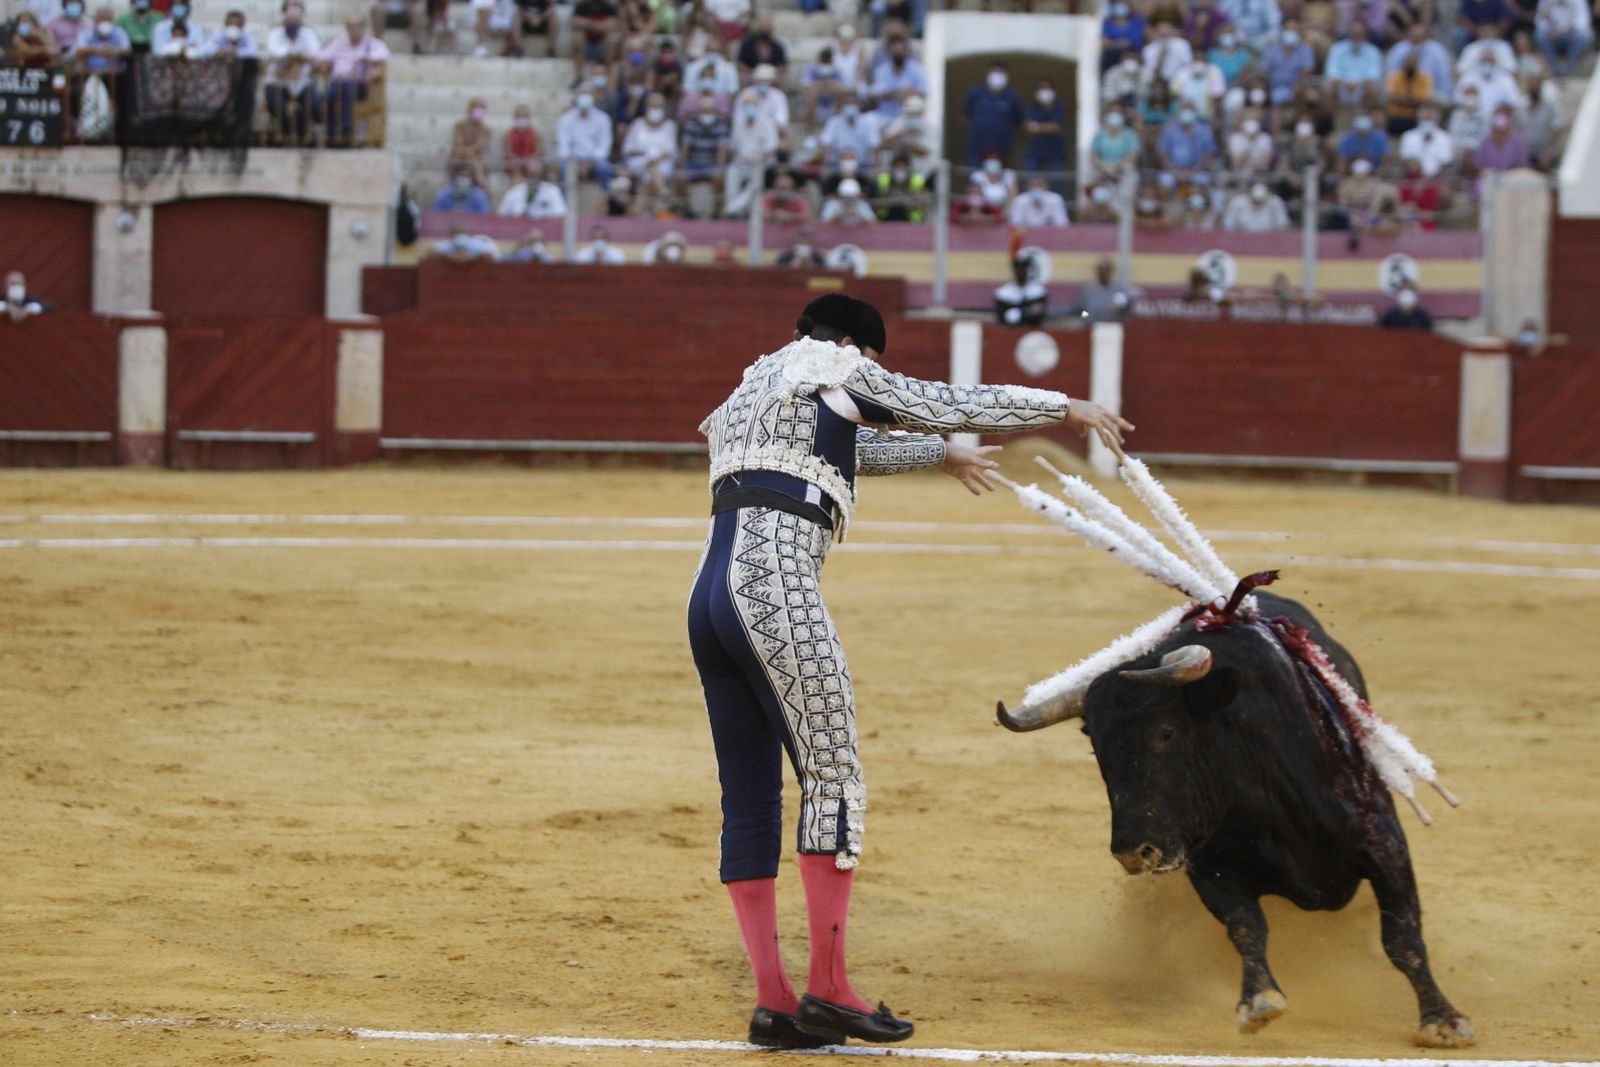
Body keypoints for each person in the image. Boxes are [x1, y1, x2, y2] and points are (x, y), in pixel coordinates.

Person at [689, 292, 1132, 1049]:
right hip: (776, 588)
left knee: (753, 795)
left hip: (709, 600)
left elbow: (841, 448)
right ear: (860, 347)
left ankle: (775, 1002)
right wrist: (1066, 406)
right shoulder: (837, 365)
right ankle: (828, 988)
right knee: (834, 777)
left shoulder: (751, 389)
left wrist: (940, 455)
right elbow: (944, 401)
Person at [320, 15, 389, 145]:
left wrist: (366, 59)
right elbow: (321, 56)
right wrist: (327, 65)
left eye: (356, 26)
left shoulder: (371, 44)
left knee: (346, 87)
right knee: (329, 95)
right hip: (338, 84)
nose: (353, 30)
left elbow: (384, 55)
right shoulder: (339, 44)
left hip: (360, 85)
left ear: (363, 28)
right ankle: (331, 133)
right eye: (350, 27)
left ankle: (346, 128)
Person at [264, 3, 321, 145]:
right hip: (278, 82)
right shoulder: (275, 33)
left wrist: (294, 60)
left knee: (313, 104)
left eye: (295, 20)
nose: (292, 23)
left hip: (302, 82)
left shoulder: (308, 34)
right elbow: (274, 52)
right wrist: (297, 58)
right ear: (284, 19)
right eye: (289, 20)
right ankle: (287, 133)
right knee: (274, 103)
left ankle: (301, 136)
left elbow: (315, 54)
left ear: (301, 20)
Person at [962, 61, 1025, 168]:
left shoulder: (1013, 97)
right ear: (988, 74)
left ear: (1007, 76)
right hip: (977, 145)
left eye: (1001, 72)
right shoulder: (976, 92)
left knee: (1002, 180)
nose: (997, 75)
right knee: (975, 178)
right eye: (994, 72)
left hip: (1002, 148)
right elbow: (966, 114)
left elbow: (1019, 121)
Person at [557, 90, 615, 188]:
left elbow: (604, 144)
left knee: (605, 169)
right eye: (582, 94)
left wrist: (590, 163)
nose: (584, 97)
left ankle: (606, 200)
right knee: (563, 169)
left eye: (587, 93)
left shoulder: (603, 118)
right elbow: (563, 146)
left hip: (595, 160)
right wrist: (576, 163)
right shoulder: (566, 118)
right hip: (573, 159)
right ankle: (565, 201)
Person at [1067, 258, 1142, 321]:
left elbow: (1138, 293)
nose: (1104, 273)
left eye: (1106, 270)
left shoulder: (1119, 287)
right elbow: (1077, 308)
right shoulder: (1089, 289)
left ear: (1111, 272)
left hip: (1114, 328)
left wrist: (1119, 300)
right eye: (1101, 270)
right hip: (1091, 327)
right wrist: (1085, 315)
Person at [497, 159, 566, 218]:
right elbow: (501, 217)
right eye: (531, 174)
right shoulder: (514, 192)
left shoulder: (552, 191)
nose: (533, 179)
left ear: (542, 174)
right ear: (526, 174)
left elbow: (560, 215)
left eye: (536, 175)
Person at [994, 256, 1049, 325]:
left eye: (1024, 268)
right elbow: (1004, 317)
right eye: (1018, 268)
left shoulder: (1038, 291)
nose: (1021, 271)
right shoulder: (1003, 292)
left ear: (1028, 269)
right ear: (1014, 270)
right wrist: (1027, 311)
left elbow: (1038, 315)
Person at [1222, 181, 1291, 230]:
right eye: (1255, 201)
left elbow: (1282, 225)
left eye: (1260, 202)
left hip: (1269, 239)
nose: (1257, 204)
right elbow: (1228, 225)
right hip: (1242, 238)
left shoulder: (1275, 202)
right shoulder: (1237, 202)